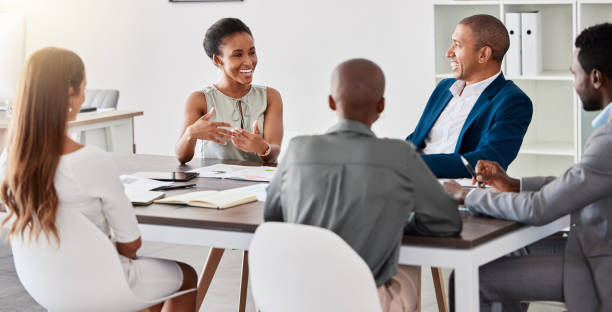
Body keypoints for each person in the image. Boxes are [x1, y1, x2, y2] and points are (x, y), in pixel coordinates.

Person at [0, 47, 197, 311]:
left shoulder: (9, 160)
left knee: (145, 295)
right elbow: (130, 244)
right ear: (70, 95)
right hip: (101, 287)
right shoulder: (90, 160)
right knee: (185, 276)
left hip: (43, 286)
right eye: (83, 88)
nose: (84, 96)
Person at [265, 58, 462, 312]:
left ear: (331, 102)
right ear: (381, 106)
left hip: (294, 299)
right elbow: (447, 221)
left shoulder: (297, 149)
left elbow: (272, 218)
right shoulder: (399, 154)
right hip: (363, 303)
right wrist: (395, 222)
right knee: (406, 264)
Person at [444, 23, 612, 312]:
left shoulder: (608, 139)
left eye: (575, 74)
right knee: (509, 248)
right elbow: (577, 182)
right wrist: (514, 185)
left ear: (595, 77)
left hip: (597, 259)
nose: (574, 83)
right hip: (592, 242)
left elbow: (539, 209)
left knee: (472, 278)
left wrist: (466, 195)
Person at [407, 14, 532, 178]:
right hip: (410, 182)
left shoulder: (512, 101)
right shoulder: (444, 88)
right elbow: (417, 139)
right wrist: (391, 153)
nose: (448, 53)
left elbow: (490, 160)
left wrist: (413, 164)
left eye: (457, 45)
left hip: (455, 191)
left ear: (483, 54)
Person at [175, 17, 283, 164]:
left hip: (258, 184)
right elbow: (182, 157)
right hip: (215, 185)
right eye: (238, 55)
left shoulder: (271, 97)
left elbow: (273, 154)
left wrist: (262, 148)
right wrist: (190, 134)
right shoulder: (199, 99)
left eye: (251, 52)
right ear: (218, 60)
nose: (249, 61)